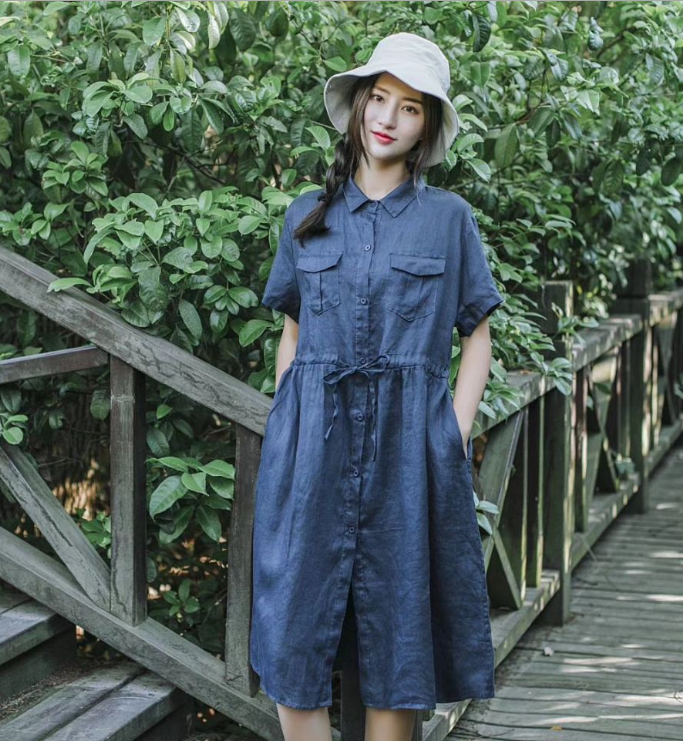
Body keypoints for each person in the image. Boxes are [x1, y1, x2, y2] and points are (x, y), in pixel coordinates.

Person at [251, 32, 505, 741]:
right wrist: (288, 421)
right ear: (360, 104)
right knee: (293, 630)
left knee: (401, 632)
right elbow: (293, 332)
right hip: (310, 451)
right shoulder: (307, 214)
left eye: (411, 107)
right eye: (381, 98)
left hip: (408, 455)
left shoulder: (448, 219)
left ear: (427, 126)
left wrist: (450, 432)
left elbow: (477, 336)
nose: (389, 118)